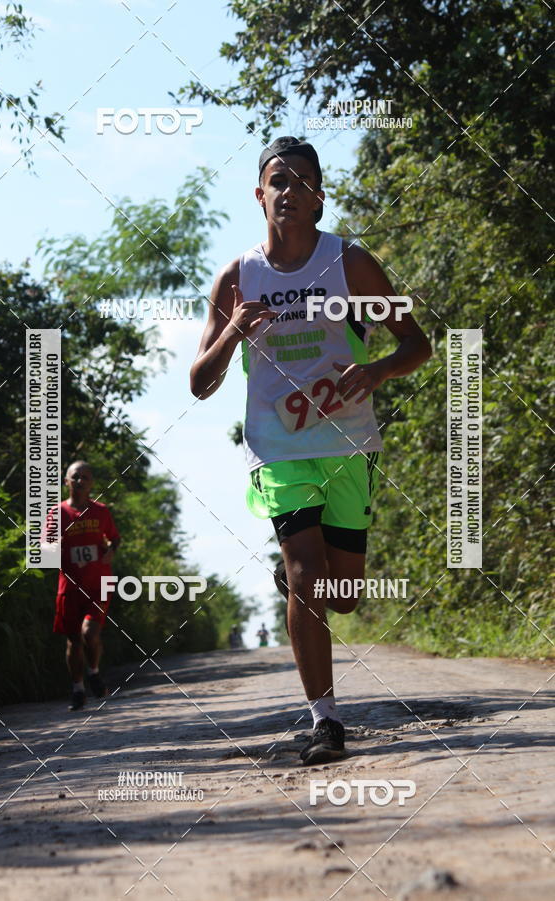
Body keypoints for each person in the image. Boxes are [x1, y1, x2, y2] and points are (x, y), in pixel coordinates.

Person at [190, 136, 432, 764]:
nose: (290, 190)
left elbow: (417, 345)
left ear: (320, 197)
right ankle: (325, 721)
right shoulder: (239, 278)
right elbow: (199, 382)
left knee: (342, 593)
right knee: (305, 572)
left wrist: (376, 372)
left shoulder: (351, 266)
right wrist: (234, 332)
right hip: (278, 448)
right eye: (279, 180)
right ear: (259, 194)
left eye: (303, 181)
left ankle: (305, 586)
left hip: (349, 441)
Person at [46, 461, 121, 711]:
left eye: (85, 478)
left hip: (98, 583)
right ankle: (78, 689)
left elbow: (115, 539)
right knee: (73, 641)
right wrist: (52, 548)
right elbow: (46, 548)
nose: (80, 482)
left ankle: (94, 673)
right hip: (69, 586)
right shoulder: (57, 514)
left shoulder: (101, 511)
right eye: (75, 477)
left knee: (90, 632)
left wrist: (110, 550)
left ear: (91, 484)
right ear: (66, 481)